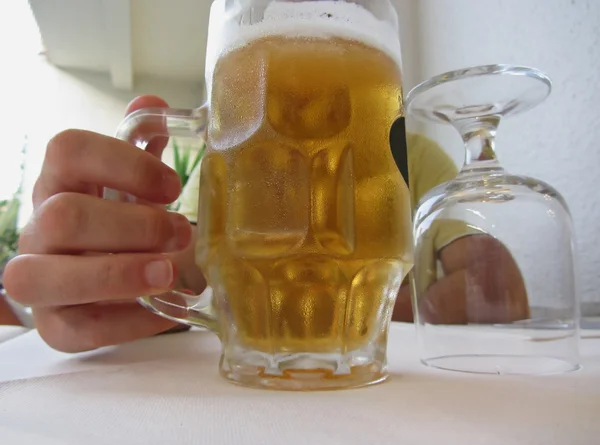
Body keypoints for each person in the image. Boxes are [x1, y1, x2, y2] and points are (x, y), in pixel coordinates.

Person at [1, 95, 528, 351]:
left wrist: (349, 313)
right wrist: (107, 277)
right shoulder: (233, 149)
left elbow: (499, 285)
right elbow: (180, 273)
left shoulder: (410, 152)